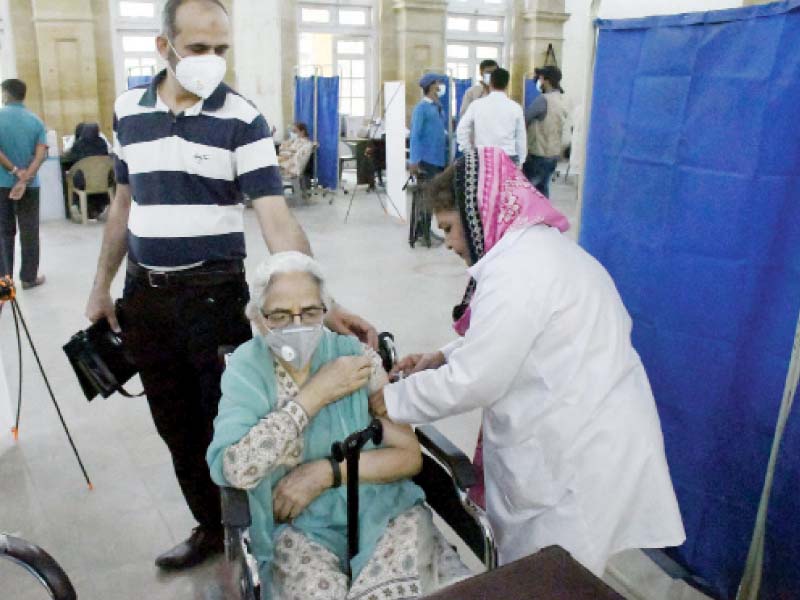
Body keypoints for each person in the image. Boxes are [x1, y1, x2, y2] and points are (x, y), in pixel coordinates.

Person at [85, 0, 377, 571]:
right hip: (144, 298)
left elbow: (275, 218)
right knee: (174, 425)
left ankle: (250, 533)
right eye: (198, 49)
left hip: (214, 298)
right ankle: (208, 527)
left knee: (230, 423)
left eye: (221, 49)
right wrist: (102, 285)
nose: (211, 61)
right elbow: (123, 205)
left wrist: (325, 301)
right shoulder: (128, 112)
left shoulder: (241, 118)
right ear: (163, 47)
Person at [370, 147, 686, 576]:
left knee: (553, 574)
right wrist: (442, 355)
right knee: (550, 569)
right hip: (582, 427)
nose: (446, 243)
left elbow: (475, 380)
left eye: (448, 227)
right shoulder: (530, 252)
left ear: (478, 214)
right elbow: (512, 338)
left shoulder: (520, 272)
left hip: (579, 455)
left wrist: (390, 398)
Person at [207, 252, 469, 599]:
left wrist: (326, 472)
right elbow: (237, 468)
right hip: (298, 525)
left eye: (311, 312)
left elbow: (407, 457)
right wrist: (317, 393)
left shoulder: (357, 359)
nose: (297, 325)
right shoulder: (247, 370)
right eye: (281, 315)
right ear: (257, 317)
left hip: (383, 508)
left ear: (325, 310)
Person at [0, 78, 48, 289]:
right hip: (30, 186)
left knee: (4, 233)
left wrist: (14, 171)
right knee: (30, 232)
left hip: (2, 185)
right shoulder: (35, 121)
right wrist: (26, 176)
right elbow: (40, 155)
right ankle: (29, 278)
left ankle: (4, 283)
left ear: (6, 94)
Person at [456, 68, 526, 165]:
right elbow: (521, 138)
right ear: (507, 85)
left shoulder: (476, 105)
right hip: (508, 158)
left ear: (490, 83)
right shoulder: (516, 108)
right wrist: (520, 161)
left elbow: (461, 129)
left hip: (483, 158)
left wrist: (468, 151)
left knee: (484, 181)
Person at [408, 73, 448, 247]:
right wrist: (414, 160)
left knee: (432, 197)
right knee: (426, 197)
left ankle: (426, 230)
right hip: (426, 159)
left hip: (438, 158)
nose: (440, 86)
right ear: (431, 86)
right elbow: (415, 135)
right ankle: (423, 232)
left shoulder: (437, 106)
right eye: (438, 83)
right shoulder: (421, 108)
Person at [523, 66, 568, 197]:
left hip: (539, 153)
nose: (539, 81)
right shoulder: (561, 98)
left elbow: (524, 119)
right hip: (553, 152)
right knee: (542, 189)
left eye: (540, 78)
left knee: (532, 191)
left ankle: (536, 217)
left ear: (545, 80)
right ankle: (544, 216)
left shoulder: (543, 100)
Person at [62, 122, 112, 222]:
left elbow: (71, 160)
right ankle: (103, 208)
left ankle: (77, 208)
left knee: (72, 178)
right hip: (103, 181)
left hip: (83, 182)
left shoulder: (78, 145)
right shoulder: (102, 143)